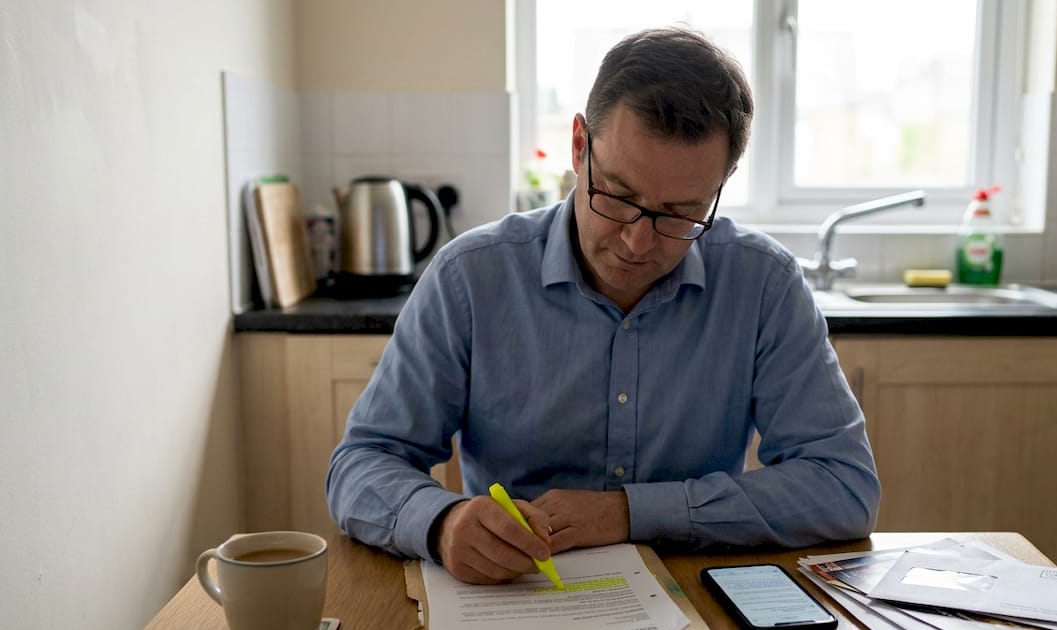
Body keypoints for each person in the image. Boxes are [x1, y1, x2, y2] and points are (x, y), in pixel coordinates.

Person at [327, 27, 879, 585]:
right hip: (513, 598)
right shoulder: (469, 277)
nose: (637, 243)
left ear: (722, 183)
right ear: (578, 146)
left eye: (679, 213)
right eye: (617, 195)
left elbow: (844, 486)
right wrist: (442, 523)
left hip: (696, 605)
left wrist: (631, 513)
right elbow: (362, 463)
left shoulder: (763, 284)